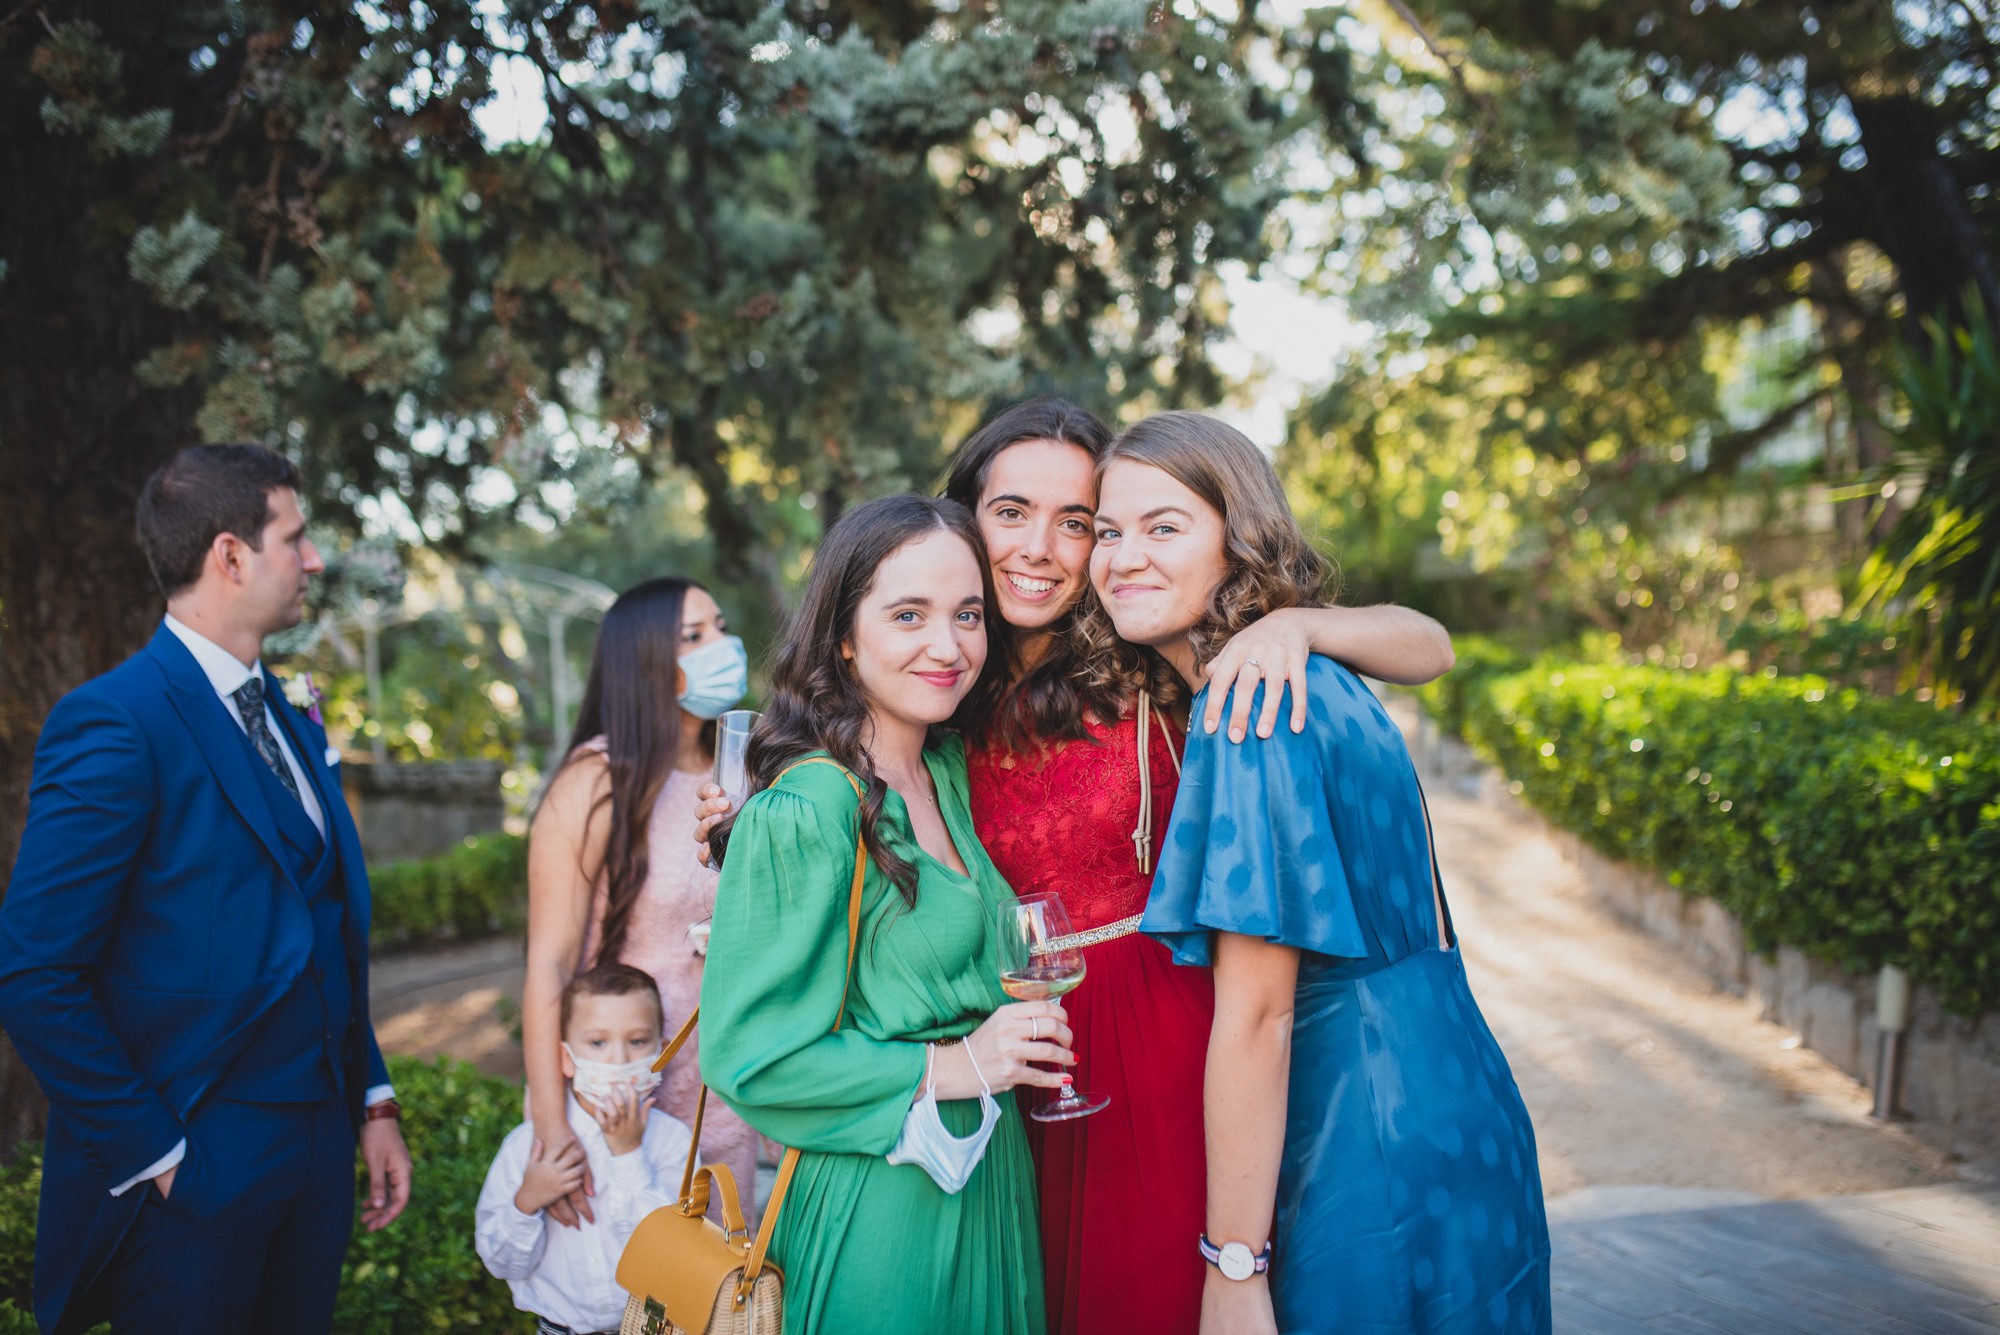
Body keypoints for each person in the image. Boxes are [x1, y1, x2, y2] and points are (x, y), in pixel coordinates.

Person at [939, 398, 1458, 1335]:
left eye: (1076, 521)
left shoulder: (1145, 662)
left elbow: (1428, 643)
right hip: (1016, 1054)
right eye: (1011, 511)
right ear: (964, 517)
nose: (1044, 546)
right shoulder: (938, 683)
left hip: (1169, 1035)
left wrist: (1298, 627)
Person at [1091, 412, 1550, 1335]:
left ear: (1239, 535)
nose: (1121, 556)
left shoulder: (1249, 704)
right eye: (1107, 530)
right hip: (1457, 1096)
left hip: (1357, 1138)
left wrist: (1232, 1266)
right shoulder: (1322, 668)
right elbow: (1427, 643)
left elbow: (1259, 1014)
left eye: (1164, 526)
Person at [0, 444, 412, 1335]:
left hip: (315, 1147)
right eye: (295, 538)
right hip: (195, 1150)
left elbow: (321, 922)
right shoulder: (116, 720)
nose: (315, 560)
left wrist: (371, 1097)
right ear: (230, 555)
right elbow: (35, 975)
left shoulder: (290, 712)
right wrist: (160, 1153)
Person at [700, 493, 1066, 1334]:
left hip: (989, 1177)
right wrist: (953, 1063)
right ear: (842, 634)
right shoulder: (812, 802)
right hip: (883, 1201)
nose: (949, 646)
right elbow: (748, 1055)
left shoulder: (944, 770)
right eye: (910, 614)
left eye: (968, 614)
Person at [523, 577, 759, 1231]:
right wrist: (550, 1123)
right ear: (644, 658)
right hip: (622, 1092)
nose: (723, 645)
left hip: (722, 1085)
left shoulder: (742, 773)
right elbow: (549, 962)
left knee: (709, 1300)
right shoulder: (595, 781)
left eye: (720, 624)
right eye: (694, 635)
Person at [476, 963, 695, 1335]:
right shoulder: (526, 1148)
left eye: (637, 1041)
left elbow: (672, 1258)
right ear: (565, 1059)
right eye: (598, 1042)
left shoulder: (673, 1142)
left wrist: (629, 1156)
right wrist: (526, 1201)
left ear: (660, 1049)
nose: (619, 1059)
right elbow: (503, 1264)